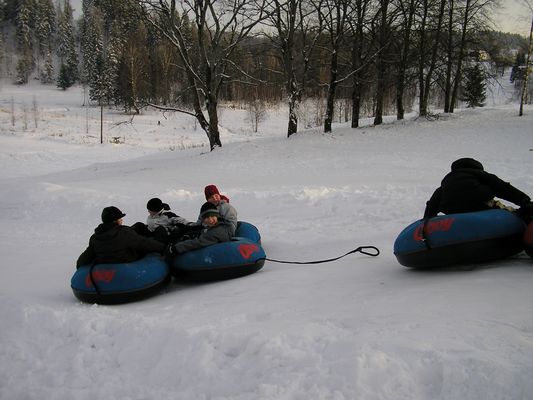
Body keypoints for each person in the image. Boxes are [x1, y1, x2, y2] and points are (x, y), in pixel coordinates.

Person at [423, 157, 533, 221]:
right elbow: (503, 188)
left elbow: (433, 203)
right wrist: (524, 201)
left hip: (453, 211)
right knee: (510, 212)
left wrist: (427, 219)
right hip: (480, 205)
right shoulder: (481, 175)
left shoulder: (446, 181)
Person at [76, 206, 166, 268]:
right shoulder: (123, 232)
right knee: (144, 243)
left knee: (137, 227)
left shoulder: (95, 237)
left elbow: (85, 257)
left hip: (105, 263)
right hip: (125, 262)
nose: (121, 220)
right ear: (115, 221)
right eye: (120, 219)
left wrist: (81, 267)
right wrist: (163, 247)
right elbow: (144, 243)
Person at [167, 202, 233, 256]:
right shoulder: (219, 225)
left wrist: (176, 248)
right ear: (203, 220)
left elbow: (198, 243)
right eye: (207, 217)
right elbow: (202, 230)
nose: (210, 220)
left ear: (217, 216)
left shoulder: (217, 232)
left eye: (212, 216)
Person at [133, 197, 197, 243]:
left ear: (155, 210)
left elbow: (182, 221)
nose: (148, 211)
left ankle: (157, 247)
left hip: (162, 236)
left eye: (150, 210)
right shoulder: (152, 215)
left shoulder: (168, 215)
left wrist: (195, 225)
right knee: (139, 225)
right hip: (151, 232)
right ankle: (126, 236)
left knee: (160, 229)